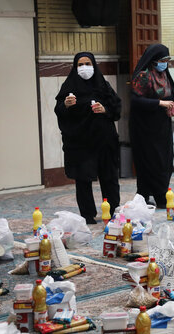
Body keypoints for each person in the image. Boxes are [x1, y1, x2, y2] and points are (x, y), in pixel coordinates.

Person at [55, 52, 121, 224]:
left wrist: (104, 109)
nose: (84, 67)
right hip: (80, 142)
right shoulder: (69, 86)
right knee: (83, 179)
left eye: (88, 63)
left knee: (109, 177)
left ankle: (113, 210)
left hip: (104, 140)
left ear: (94, 65)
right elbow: (59, 109)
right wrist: (66, 105)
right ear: (75, 67)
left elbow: (117, 107)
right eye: (80, 64)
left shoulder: (103, 85)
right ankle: (87, 214)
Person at [129, 44, 174, 208]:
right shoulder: (144, 76)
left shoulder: (164, 74)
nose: (165, 63)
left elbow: (172, 95)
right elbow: (136, 100)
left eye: (167, 60)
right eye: (163, 60)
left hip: (162, 125)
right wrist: (159, 103)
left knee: (165, 159)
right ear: (154, 60)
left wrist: (172, 107)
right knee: (150, 161)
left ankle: (159, 193)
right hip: (145, 127)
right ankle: (154, 195)